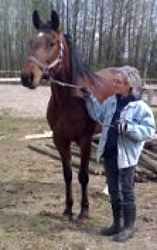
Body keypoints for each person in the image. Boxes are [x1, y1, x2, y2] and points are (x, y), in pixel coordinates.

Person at [82, 66, 156, 242]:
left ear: (129, 85)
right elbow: (98, 115)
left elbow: (149, 131)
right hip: (109, 153)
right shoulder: (111, 102)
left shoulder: (140, 107)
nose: (114, 84)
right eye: (114, 81)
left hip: (126, 157)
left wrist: (129, 128)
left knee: (126, 191)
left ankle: (128, 227)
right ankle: (117, 224)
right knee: (114, 191)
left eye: (118, 82)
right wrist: (89, 98)